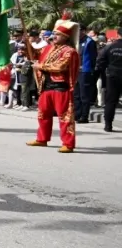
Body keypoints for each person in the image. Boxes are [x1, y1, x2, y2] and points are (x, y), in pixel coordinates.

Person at [27, 16, 80, 153]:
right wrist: (28, 44)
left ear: (65, 37)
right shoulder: (48, 49)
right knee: (43, 114)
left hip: (61, 87)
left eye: (57, 34)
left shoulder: (70, 51)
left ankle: (68, 143)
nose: (54, 36)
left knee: (65, 117)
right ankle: (42, 139)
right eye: (54, 34)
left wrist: (40, 66)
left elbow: (60, 66)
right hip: (46, 87)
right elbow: (34, 55)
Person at [95, 27, 122, 132]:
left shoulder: (109, 47)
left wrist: (104, 70)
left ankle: (108, 125)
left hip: (112, 76)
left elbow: (100, 61)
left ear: (118, 35)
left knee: (110, 101)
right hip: (114, 74)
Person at [75, 27, 99, 124]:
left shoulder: (90, 42)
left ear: (84, 31)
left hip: (85, 71)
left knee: (84, 95)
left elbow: (93, 57)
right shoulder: (75, 41)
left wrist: (90, 70)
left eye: (79, 30)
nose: (78, 33)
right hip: (76, 71)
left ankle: (84, 116)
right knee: (76, 94)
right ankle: (77, 114)